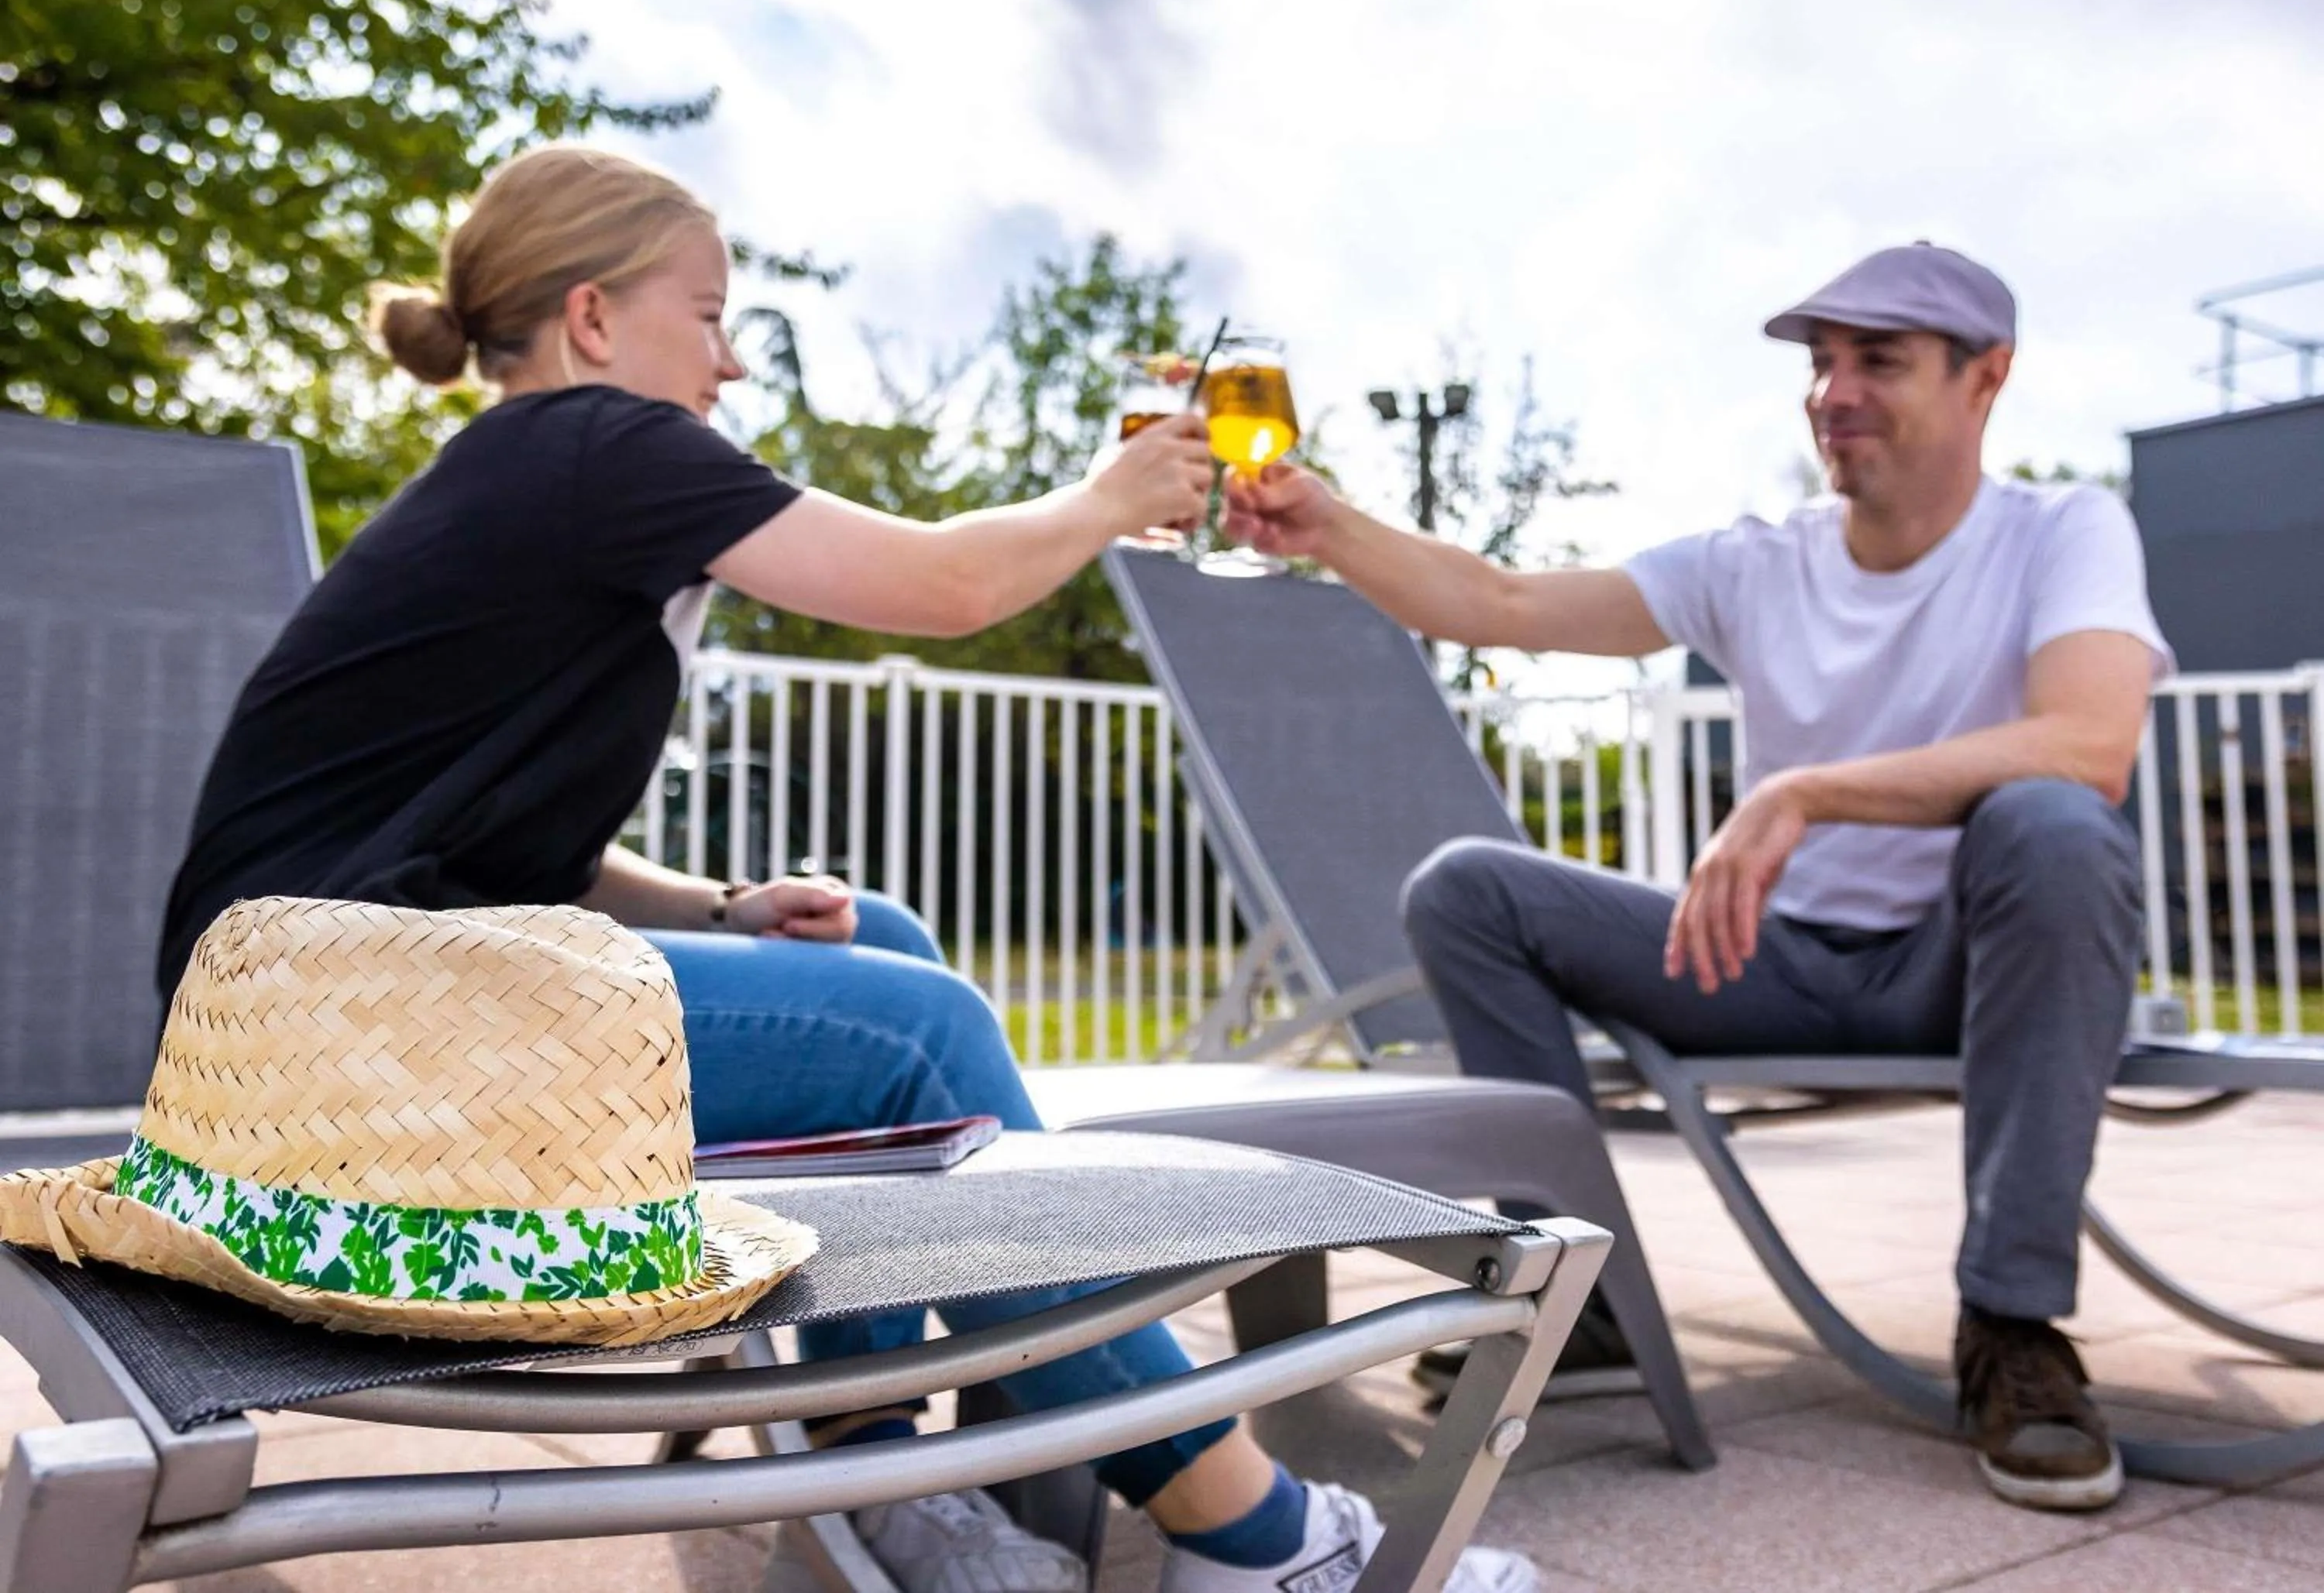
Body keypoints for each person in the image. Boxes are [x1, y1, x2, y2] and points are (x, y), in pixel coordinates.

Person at [156, 145, 1536, 1593]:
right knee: (914, 1037)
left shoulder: (530, 477)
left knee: (869, 939)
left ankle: (874, 1471)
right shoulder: (598, 444)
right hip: (328, 1044)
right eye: (709, 315)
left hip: (350, 1006)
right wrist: (1107, 495)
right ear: (592, 319)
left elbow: (494, 855)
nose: (732, 361)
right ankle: (1257, 1542)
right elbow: (945, 583)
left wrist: (720, 907)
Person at [1222, 242, 2171, 1514]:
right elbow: (1502, 600)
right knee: (1468, 887)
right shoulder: (1757, 560)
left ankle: (2011, 1326)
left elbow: (2090, 742)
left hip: (1962, 970)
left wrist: (1804, 791)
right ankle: (1582, 1300)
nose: (1833, 392)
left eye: (1879, 361)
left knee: (2053, 823)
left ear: (1985, 377)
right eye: (1821, 362)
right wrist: (1328, 525)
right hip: (1766, 962)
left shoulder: (2063, 531)